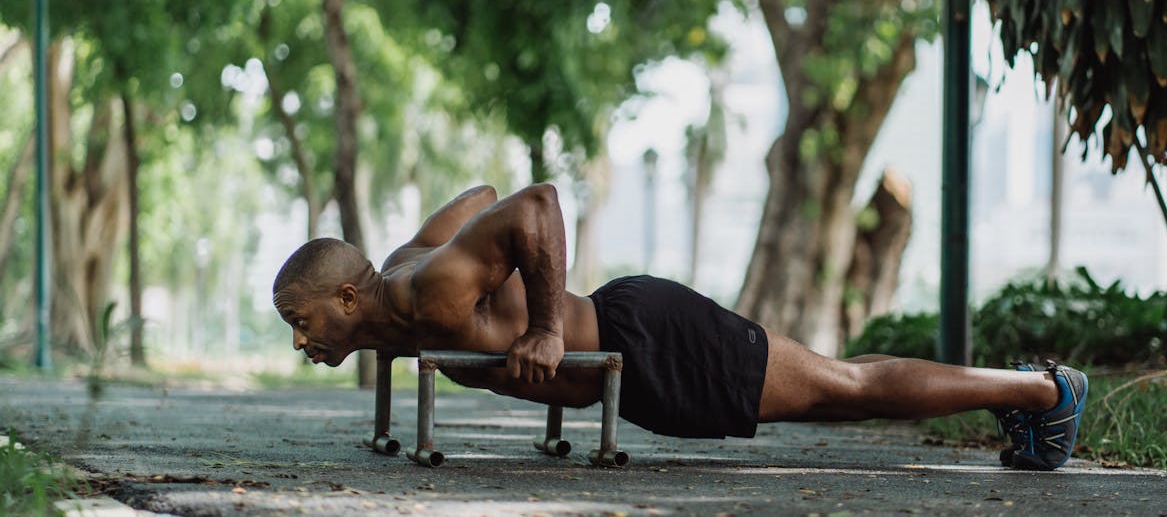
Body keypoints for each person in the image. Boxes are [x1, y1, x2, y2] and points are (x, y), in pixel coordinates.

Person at [272, 184, 1087, 471]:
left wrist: (548, 324)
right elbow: (481, 192)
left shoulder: (433, 285)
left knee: (845, 389)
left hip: (652, 340)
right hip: (645, 355)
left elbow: (534, 203)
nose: (299, 340)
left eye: (300, 320)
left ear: (347, 299)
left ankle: (1044, 389)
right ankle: (1024, 392)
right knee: (837, 391)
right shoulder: (407, 269)